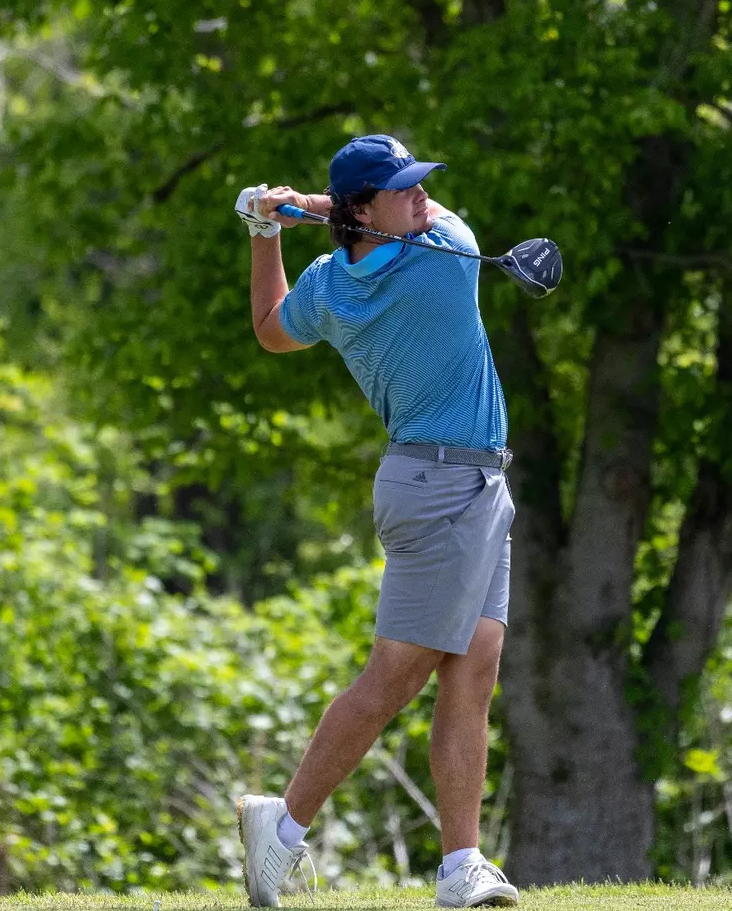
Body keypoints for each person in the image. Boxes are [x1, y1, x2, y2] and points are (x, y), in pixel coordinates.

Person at [231, 134, 519, 909]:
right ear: (364, 209)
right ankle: (281, 831)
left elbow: (268, 326)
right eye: (404, 189)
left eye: (423, 186)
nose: (424, 199)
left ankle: (462, 866)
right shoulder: (445, 257)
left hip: (470, 483)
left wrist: (267, 229)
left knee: (475, 665)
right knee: (396, 673)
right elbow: (439, 221)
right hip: (441, 487)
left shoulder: (329, 286)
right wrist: (315, 207)